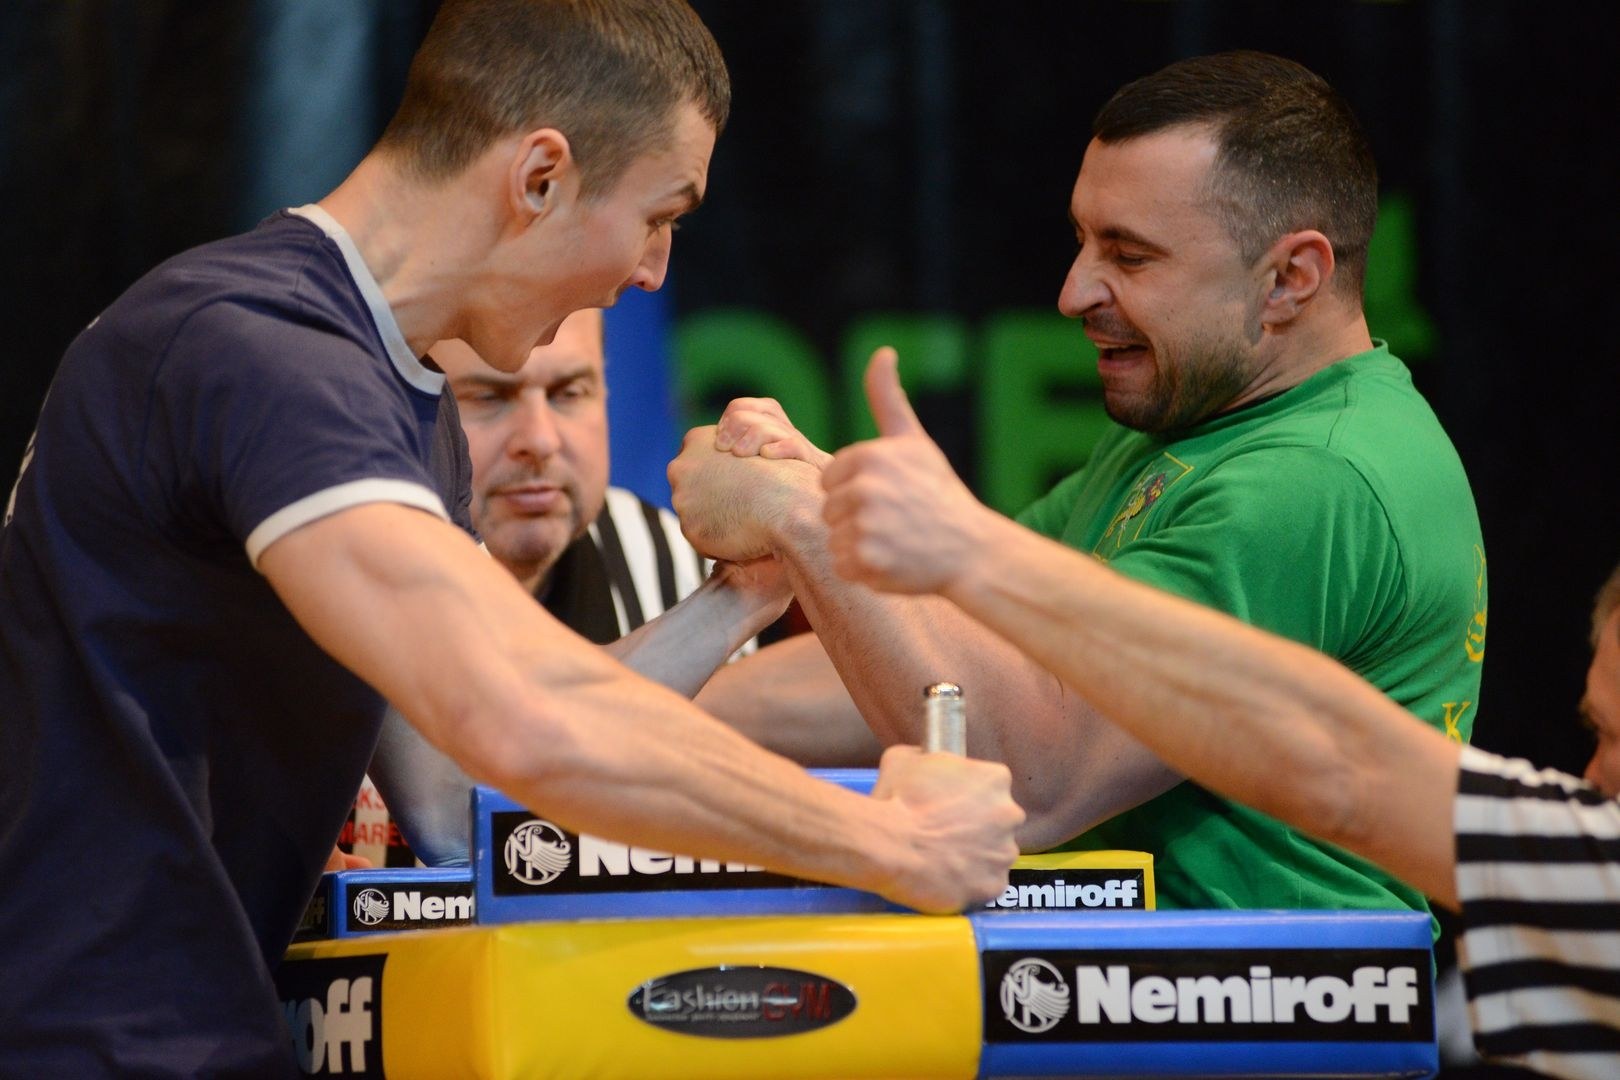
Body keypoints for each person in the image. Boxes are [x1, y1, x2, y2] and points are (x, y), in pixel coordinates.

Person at [0, 2, 1021, 1074]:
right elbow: (523, 712)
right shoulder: (257, 347)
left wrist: (748, 593)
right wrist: (883, 840)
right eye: (660, 216)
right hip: (83, 1037)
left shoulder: (397, 394)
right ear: (540, 177)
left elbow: (450, 793)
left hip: (193, 1029)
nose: (654, 274)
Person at [672, 51, 1484, 929]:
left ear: (1292, 277)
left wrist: (801, 516)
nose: (1073, 291)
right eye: (1083, 241)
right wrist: (620, 719)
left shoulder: (1312, 481)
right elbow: (950, 663)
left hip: (1242, 1033)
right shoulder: (1197, 424)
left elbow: (1033, 773)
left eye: (1130, 256)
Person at [816, 348, 1620, 1080]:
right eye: (1596, 734)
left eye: (1618, 743)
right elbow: (958, 651)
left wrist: (963, 549)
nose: (1591, 778)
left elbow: (1335, 760)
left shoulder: (1594, 875)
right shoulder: (1166, 440)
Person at [349, 308, 785, 867]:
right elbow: (459, 826)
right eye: (487, 397)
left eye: (569, 391)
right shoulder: (349, 548)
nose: (539, 439)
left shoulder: (681, 559)